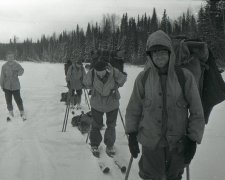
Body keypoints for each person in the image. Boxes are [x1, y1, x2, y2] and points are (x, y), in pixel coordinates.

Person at [125, 30, 205, 180]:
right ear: (150, 56)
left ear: (170, 53)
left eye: (162, 52)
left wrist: (193, 139)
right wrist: (132, 134)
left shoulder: (185, 77)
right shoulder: (143, 78)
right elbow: (134, 108)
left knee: (174, 177)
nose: (159, 56)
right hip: (150, 143)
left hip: (177, 144)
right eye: (155, 53)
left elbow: (196, 111)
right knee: (150, 176)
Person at [83, 61, 127, 157]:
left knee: (111, 125)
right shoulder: (92, 72)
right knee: (96, 125)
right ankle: (94, 144)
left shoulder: (113, 72)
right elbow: (86, 83)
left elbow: (122, 80)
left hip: (112, 104)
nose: (100, 73)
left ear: (106, 68)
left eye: (101, 71)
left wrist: (116, 72)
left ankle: (110, 145)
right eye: (97, 71)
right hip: (97, 104)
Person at [0, 51, 26, 121]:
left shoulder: (16, 64)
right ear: (7, 58)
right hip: (7, 87)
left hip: (16, 86)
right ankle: (11, 113)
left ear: (13, 57)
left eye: (12, 57)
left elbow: (22, 70)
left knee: (18, 99)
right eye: (9, 57)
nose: (10, 58)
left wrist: (17, 73)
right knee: (8, 100)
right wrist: (2, 85)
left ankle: (22, 112)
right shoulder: (4, 66)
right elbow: (2, 76)